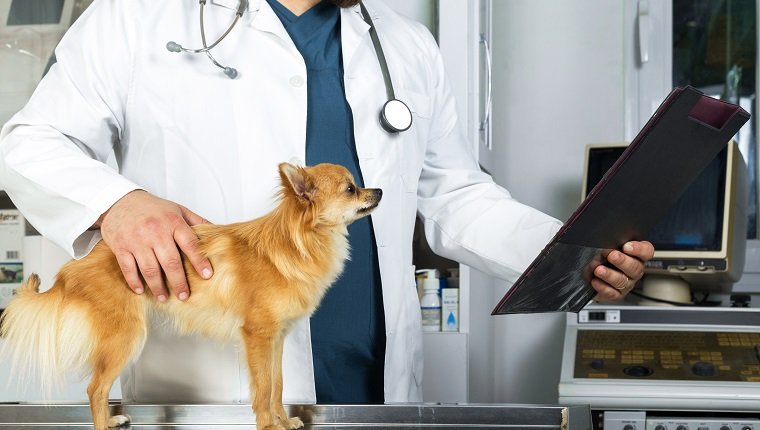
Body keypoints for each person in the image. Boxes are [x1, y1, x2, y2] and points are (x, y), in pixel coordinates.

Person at [0, 0, 654, 404]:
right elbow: (30, 141)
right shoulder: (134, 18)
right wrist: (118, 204)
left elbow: (455, 195)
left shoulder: (404, 48)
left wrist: (570, 252)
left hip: (375, 391)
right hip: (211, 395)